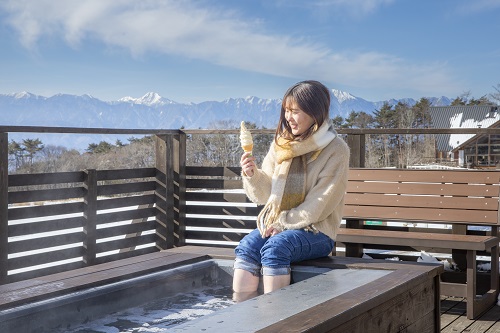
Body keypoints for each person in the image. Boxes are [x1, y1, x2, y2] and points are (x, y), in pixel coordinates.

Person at [233, 80, 350, 301]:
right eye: (286, 110)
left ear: (315, 113)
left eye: (295, 111)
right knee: (248, 246)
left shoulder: (336, 150)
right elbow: (264, 194)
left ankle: (275, 318)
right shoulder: (282, 144)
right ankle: (241, 311)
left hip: (317, 231)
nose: (288, 117)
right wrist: (252, 175)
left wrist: (284, 223)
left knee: (276, 248)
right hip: (277, 225)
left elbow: (321, 202)